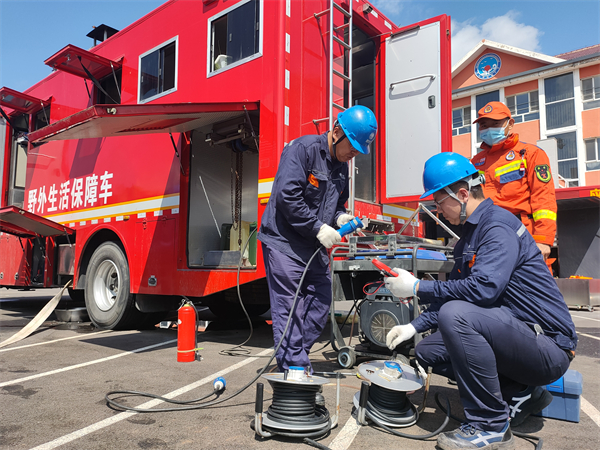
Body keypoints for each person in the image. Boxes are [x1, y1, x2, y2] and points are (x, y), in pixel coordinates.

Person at [384, 152, 577, 450]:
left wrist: (418, 286)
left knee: (456, 316)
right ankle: (520, 389)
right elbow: (461, 290)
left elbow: (484, 289)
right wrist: (413, 327)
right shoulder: (467, 240)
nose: (437, 211)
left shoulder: (496, 226)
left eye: (439, 203)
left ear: (462, 194)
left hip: (548, 346)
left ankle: (491, 426)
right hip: (517, 334)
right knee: (427, 350)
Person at [258, 105, 377, 373]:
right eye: (353, 147)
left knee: (321, 301)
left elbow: (334, 206)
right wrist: (318, 228)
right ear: (337, 131)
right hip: (284, 244)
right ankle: (295, 370)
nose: (354, 154)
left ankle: (294, 357)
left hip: (311, 247)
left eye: (359, 151)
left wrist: (339, 219)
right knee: (289, 308)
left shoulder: (341, 169)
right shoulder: (303, 149)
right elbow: (287, 198)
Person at [471, 101, 557, 265]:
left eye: (495, 123)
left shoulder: (531, 154)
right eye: (483, 125)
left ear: (510, 124)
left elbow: (544, 199)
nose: (489, 129)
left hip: (523, 234)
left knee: (531, 286)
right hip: (488, 236)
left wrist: (543, 240)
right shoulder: (475, 162)